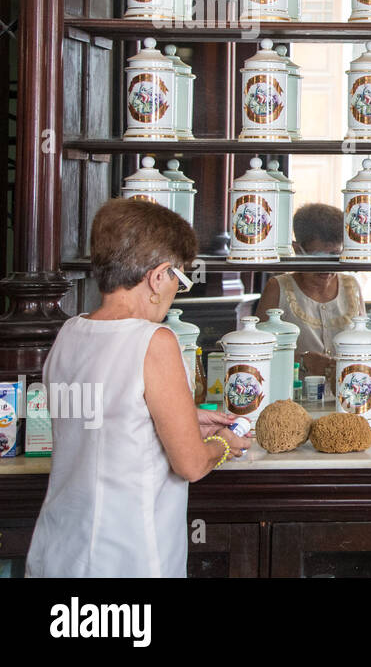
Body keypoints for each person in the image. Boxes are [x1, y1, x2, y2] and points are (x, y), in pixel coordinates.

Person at [26, 198, 252, 578]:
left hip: (58, 550)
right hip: (128, 557)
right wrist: (226, 444)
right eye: (179, 280)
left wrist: (183, 418)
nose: (174, 293)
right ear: (158, 275)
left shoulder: (69, 333)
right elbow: (192, 464)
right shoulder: (153, 340)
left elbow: (101, 419)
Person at [254, 203, 365, 383]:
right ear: (298, 250)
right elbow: (257, 355)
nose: (327, 267)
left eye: (335, 256)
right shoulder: (279, 288)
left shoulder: (351, 286)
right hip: (291, 398)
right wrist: (304, 361)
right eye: (319, 257)